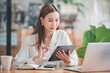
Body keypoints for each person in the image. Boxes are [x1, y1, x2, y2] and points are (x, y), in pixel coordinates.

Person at [12, 3, 78, 67]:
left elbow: (75, 61)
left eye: (57, 20)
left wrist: (68, 61)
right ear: (42, 20)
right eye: (50, 20)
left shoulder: (62, 35)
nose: (54, 24)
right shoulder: (29, 40)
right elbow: (16, 63)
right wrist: (36, 58)